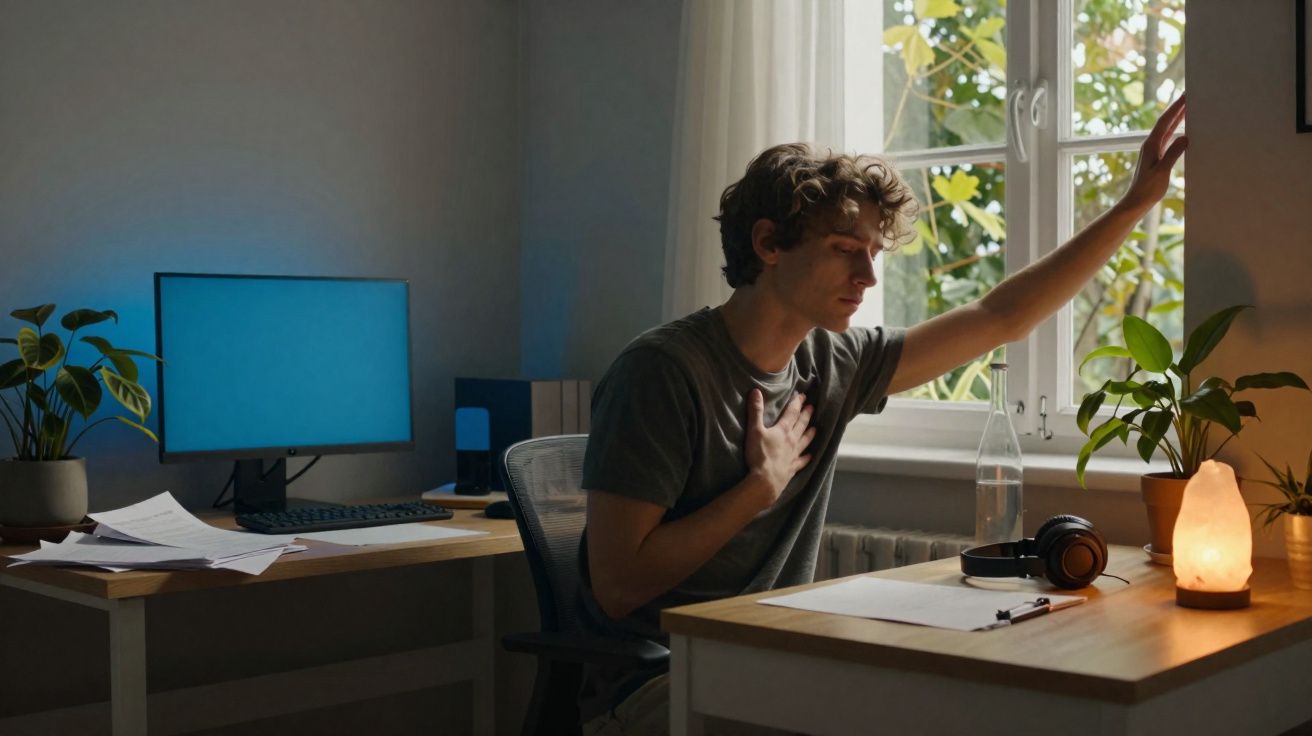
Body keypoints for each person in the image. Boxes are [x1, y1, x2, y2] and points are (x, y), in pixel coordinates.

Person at [578, 96, 1187, 735]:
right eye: (845, 248)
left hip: (776, 653)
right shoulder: (661, 373)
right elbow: (618, 585)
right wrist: (757, 489)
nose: (868, 275)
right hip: (661, 681)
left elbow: (999, 317)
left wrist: (1134, 205)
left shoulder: (835, 361)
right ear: (768, 243)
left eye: (873, 252)